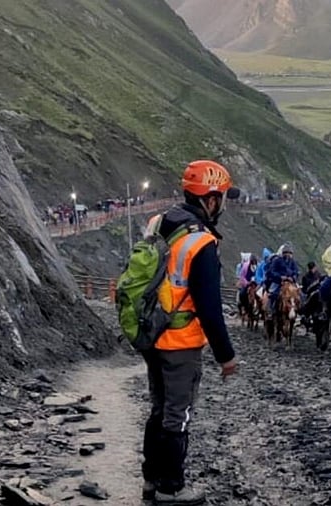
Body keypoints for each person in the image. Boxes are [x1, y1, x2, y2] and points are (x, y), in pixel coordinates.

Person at [141, 160, 239, 505]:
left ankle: (151, 481)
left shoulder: (158, 222)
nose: (223, 204)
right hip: (180, 343)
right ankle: (171, 488)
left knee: (158, 409)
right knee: (177, 415)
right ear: (210, 200)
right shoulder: (201, 242)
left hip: (151, 334)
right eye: (222, 197)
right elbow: (210, 310)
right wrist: (226, 357)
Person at [265, 243, 300, 316]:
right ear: (283, 253)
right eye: (286, 253)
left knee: (299, 295)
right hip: (279, 282)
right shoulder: (277, 261)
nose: (288, 255)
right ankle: (271, 310)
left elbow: (296, 271)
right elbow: (272, 272)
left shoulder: (293, 262)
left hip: (290, 282)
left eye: (290, 253)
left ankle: (298, 311)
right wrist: (280, 277)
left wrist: (293, 277)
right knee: (273, 294)